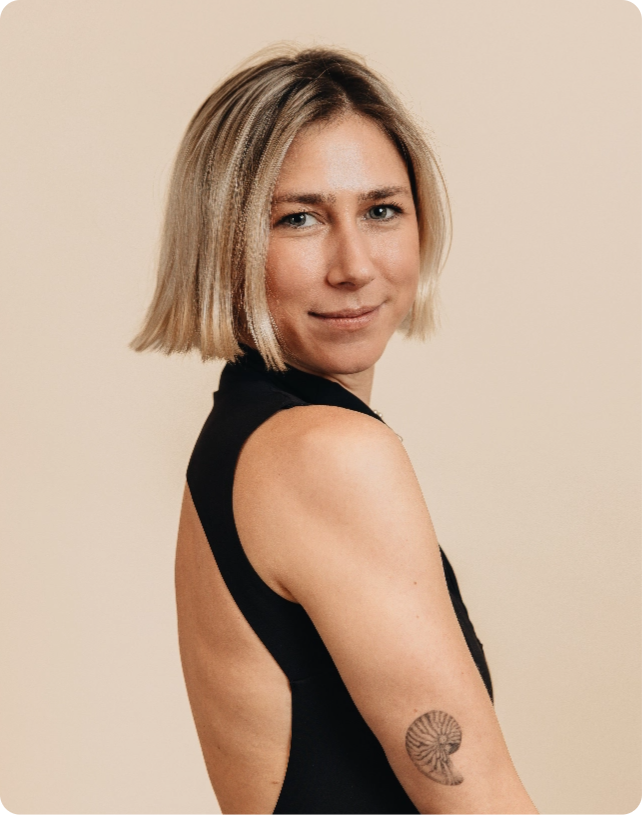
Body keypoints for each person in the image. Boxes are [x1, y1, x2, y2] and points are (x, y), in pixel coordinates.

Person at [132, 45, 539, 815]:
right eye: (299, 218)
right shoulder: (326, 454)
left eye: (381, 210)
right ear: (225, 243)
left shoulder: (243, 439)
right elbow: (478, 797)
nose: (353, 265)